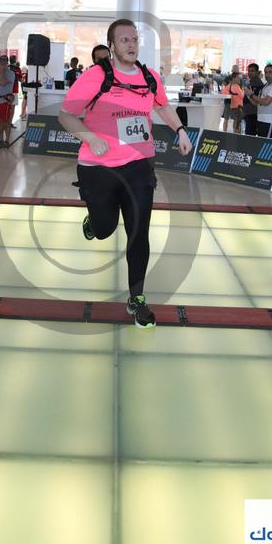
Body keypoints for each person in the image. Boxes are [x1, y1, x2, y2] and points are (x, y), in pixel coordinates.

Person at [59, 18, 192, 328]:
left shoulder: (149, 77)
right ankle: (95, 221)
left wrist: (180, 130)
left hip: (139, 165)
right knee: (104, 229)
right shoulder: (96, 76)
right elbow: (66, 115)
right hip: (98, 166)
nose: (131, 45)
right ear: (112, 46)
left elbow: (162, 106)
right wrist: (91, 138)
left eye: (134, 39)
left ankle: (137, 299)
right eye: (124, 40)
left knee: (138, 232)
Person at [245, 64, 272, 138]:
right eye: (266, 72)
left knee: (266, 143)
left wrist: (251, 95)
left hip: (269, 121)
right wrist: (248, 96)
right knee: (260, 142)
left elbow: (266, 102)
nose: (267, 74)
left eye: (270, 72)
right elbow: (257, 103)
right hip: (261, 119)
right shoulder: (265, 86)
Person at [0, 54, 15, 147]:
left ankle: (7, 140)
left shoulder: (10, 73)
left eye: (4, 63)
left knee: (6, 121)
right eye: (1, 63)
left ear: (7, 63)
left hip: (5, 100)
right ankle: (0, 138)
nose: (2, 65)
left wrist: (3, 72)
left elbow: (4, 81)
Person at [243, 63, 264, 136]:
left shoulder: (257, 83)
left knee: (250, 135)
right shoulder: (251, 82)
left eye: (252, 71)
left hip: (252, 113)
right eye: (249, 71)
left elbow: (257, 101)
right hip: (249, 113)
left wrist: (249, 96)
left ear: (257, 72)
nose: (250, 73)